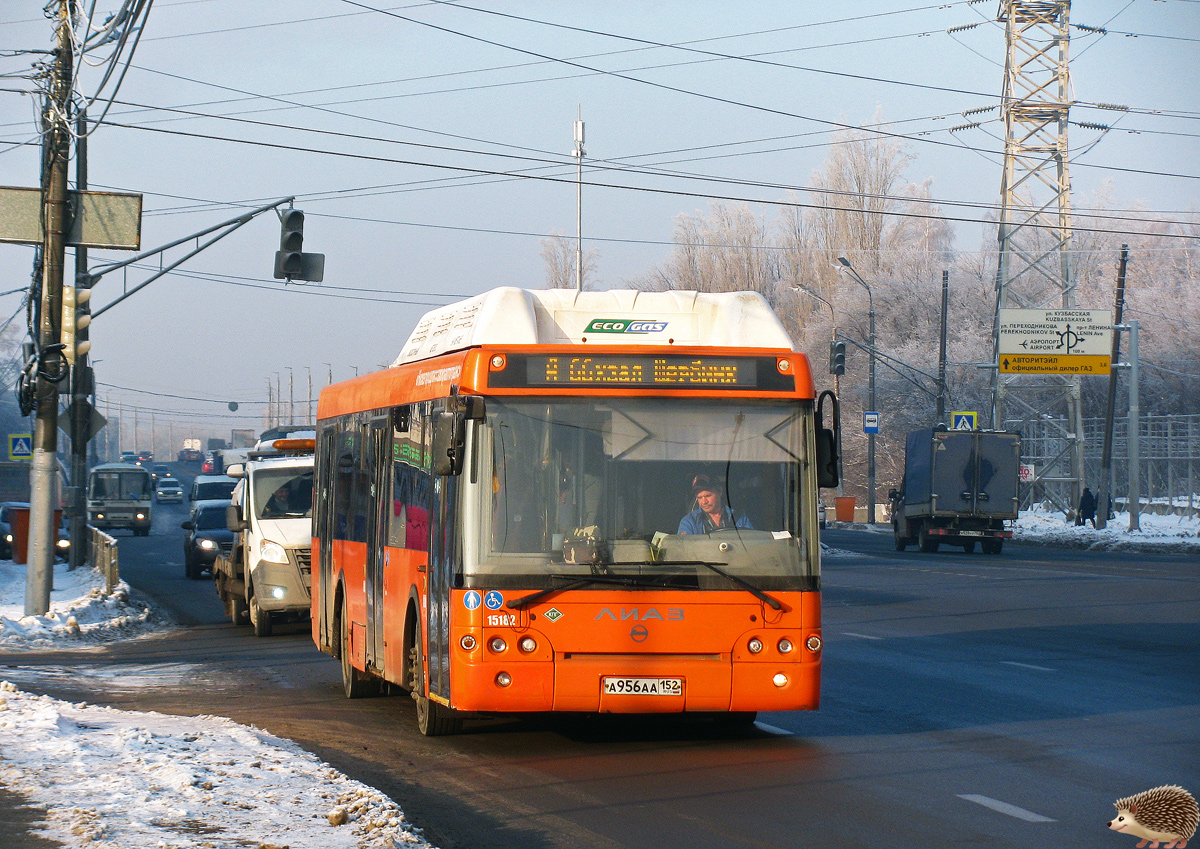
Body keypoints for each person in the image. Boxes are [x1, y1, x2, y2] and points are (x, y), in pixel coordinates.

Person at [678, 474, 753, 534]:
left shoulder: (740, 517)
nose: (704, 502)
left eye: (708, 496)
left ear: (720, 492)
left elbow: (751, 543)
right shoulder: (689, 522)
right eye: (699, 498)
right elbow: (684, 548)